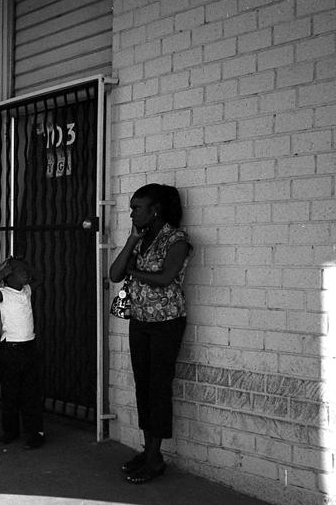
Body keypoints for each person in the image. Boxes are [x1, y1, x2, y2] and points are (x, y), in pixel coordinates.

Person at [108, 183, 193, 484]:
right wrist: (132, 240)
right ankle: (148, 452)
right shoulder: (141, 239)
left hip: (167, 324)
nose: (132, 214)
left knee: (158, 388)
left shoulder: (177, 240)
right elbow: (114, 274)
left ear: (155, 209)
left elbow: (166, 278)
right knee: (143, 386)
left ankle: (155, 459)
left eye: (136, 208)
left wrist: (133, 271)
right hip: (140, 322)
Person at [0, 256, 45, 450]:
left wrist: (25, 265)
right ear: (8, 277)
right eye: (19, 271)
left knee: (31, 393)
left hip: (29, 348)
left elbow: (40, 278)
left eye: (24, 270)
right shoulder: (4, 294)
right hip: (10, 350)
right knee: (10, 393)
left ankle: (34, 433)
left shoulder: (26, 291)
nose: (24, 273)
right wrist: (0, 274)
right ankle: (11, 431)